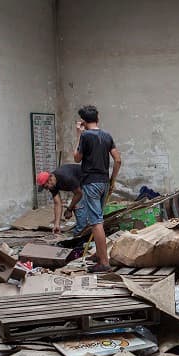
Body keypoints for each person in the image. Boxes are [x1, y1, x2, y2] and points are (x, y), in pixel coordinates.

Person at [73, 105, 121, 273]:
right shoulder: (107, 136)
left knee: (96, 223)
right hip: (104, 182)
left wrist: (78, 134)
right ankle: (99, 254)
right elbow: (118, 160)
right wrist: (112, 180)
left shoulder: (85, 136)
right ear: (98, 119)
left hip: (90, 182)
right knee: (98, 219)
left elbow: (77, 158)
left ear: (84, 122)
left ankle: (104, 262)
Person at [36, 164, 86, 234]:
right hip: (78, 186)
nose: (47, 189)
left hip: (88, 181)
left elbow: (79, 194)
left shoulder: (66, 177)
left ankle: (81, 232)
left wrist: (69, 209)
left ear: (50, 179)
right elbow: (57, 203)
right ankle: (82, 228)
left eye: (46, 187)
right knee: (74, 204)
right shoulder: (52, 185)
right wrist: (56, 225)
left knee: (78, 206)